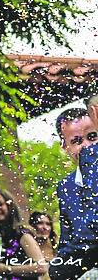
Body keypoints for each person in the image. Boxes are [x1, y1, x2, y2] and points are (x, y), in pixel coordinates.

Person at [50, 106, 98, 280]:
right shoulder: (65, 186)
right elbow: (68, 237)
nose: (86, 145)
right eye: (77, 141)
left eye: (92, 137)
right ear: (65, 147)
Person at [0, 189, 48, 278]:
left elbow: (41, 267)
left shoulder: (22, 235)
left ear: (10, 206)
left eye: (0, 204)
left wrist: (7, 269)